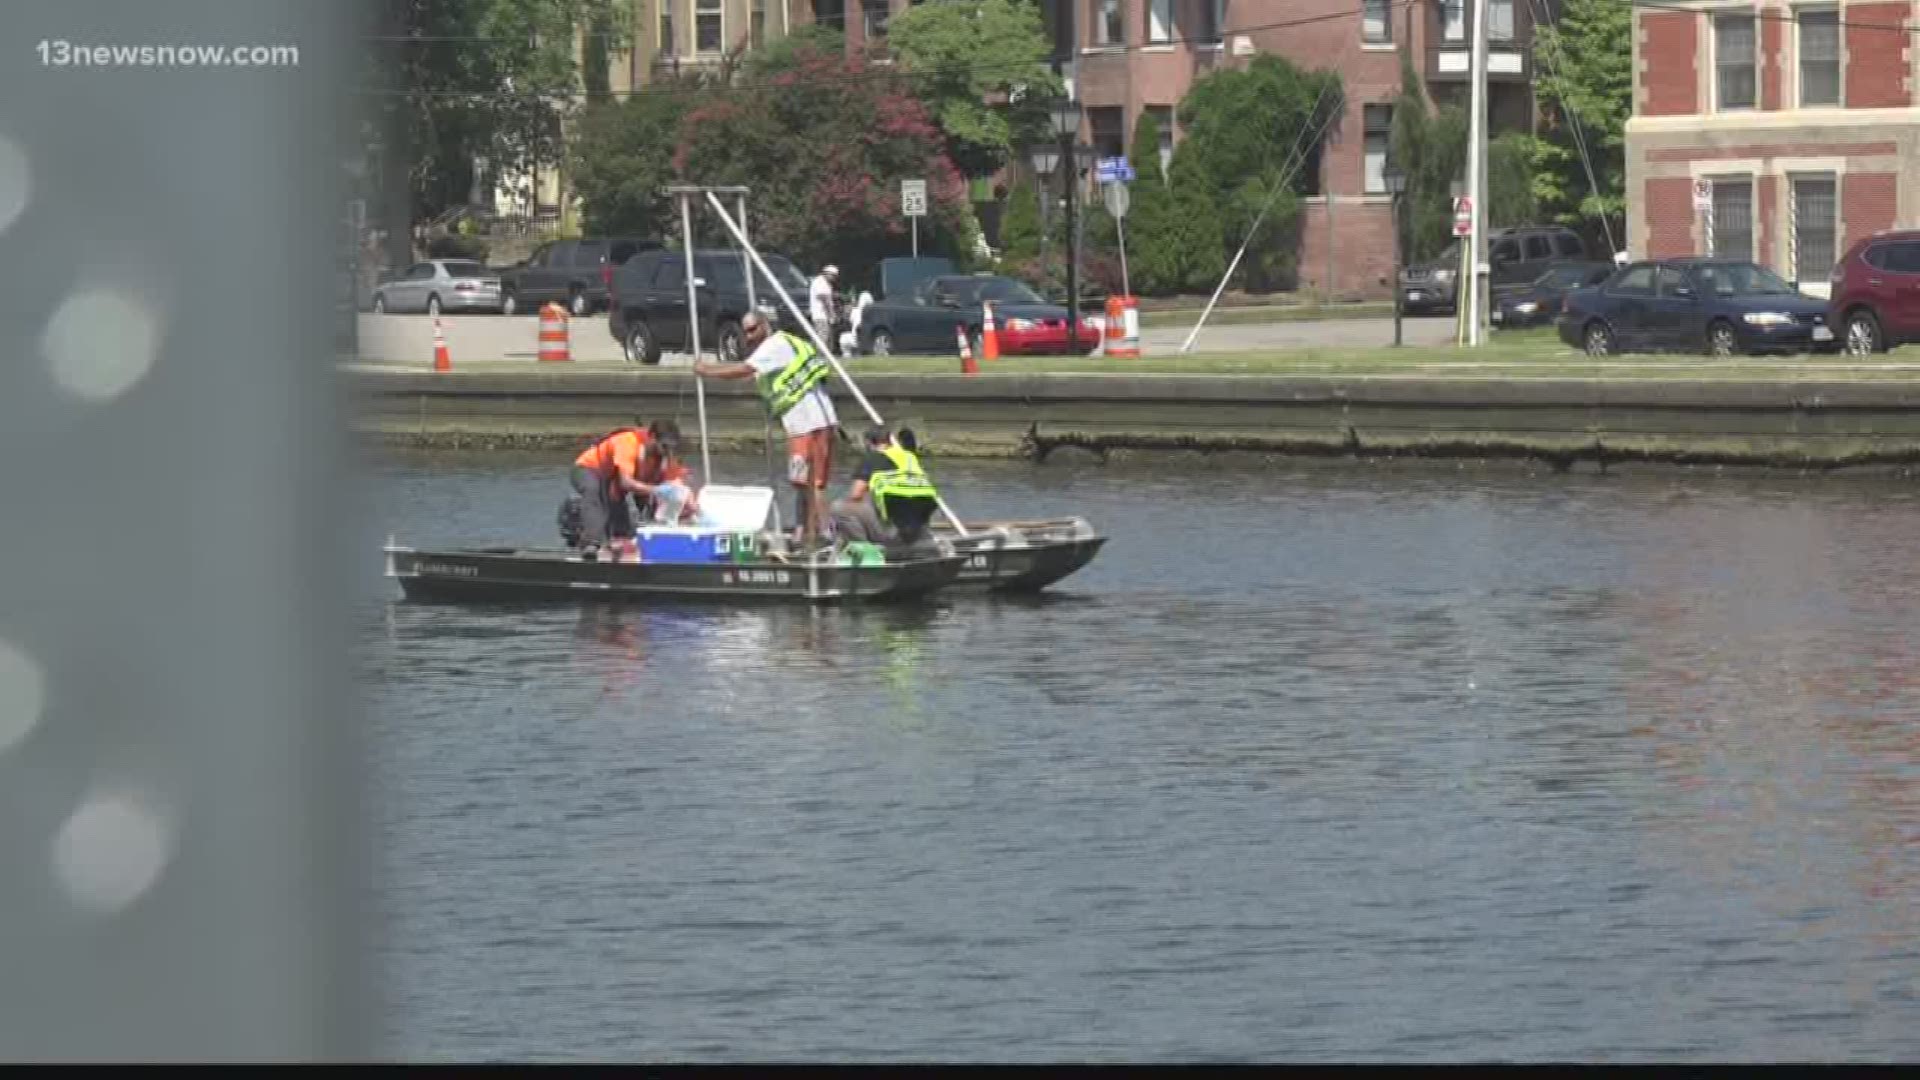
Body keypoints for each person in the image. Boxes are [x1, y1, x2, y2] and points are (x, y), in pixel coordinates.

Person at [692, 312, 839, 550]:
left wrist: (706, 370)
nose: (748, 336)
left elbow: (743, 369)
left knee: (809, 483)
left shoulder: (772, 345)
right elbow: (755, 376)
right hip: (821, 421)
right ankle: (804, 533)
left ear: (765, 325)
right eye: (746, 331)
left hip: (807, 426)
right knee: (802, 482)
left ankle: (827, 535)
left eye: (752, 329)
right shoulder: (789, 342)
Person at [567, 419, 694, 560]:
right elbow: (626, 482)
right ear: (652, 438)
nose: (668, 452)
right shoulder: (628, 443)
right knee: (594, 491)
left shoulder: (667, 456)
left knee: (624, 526)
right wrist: (657, 490)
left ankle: (632, 548)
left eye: (672, 448)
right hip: (589, 469)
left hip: (616, 483)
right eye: (664, 447)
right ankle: (592, 543)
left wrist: (690, 504)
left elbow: (677, 483)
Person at [831, 425, 942, 557]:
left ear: (868, 442)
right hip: (918, 529)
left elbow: (856, 494)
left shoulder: (872, 458)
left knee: (839, 508)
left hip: (891, 532)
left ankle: (864, 550)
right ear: (890, 440)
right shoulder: (910, 458)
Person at [809, 264, 839, 344]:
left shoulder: (825, 283)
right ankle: (819, 354)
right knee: (822, 336)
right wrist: (831, 314)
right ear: (827, 273)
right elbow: (824, 299)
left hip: (822, 315)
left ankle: (818, 353)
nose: (834, 278)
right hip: (820, 315)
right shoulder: (820, 282)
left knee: (822, 336)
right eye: (833, 276)